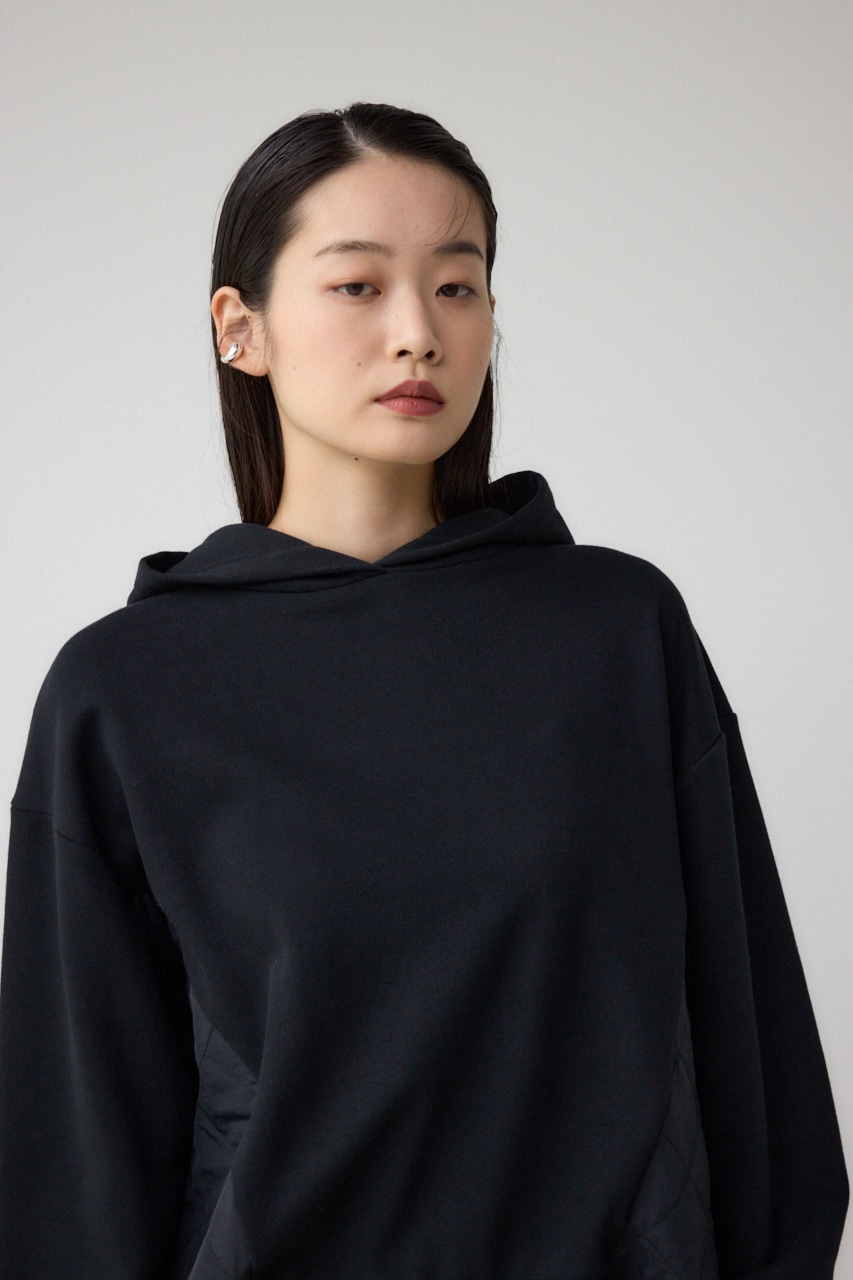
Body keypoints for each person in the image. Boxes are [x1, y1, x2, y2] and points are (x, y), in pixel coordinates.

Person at [0, 101, 847, 1280]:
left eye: (457, 285)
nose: (417, 334)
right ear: (240, 328)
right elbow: (74, 1158)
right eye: (357, 285)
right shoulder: (126, 689)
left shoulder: (616, 632)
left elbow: (760, 1072)